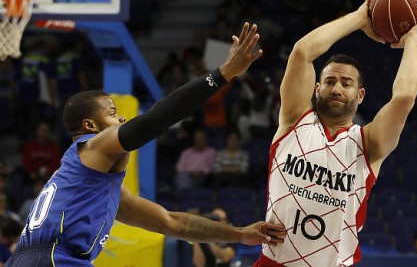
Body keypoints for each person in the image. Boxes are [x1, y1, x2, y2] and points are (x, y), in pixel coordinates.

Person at [6, 23, 286, 267]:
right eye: (113, 113)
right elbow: (157, 119)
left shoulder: (92, 189)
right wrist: (222, 74)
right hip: (56, 260)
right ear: (90, 126)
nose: (123, 117)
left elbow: (172, 223)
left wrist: (239, 234)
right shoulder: (92, 145)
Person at [254, 0, 417, 267]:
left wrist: (412, 40)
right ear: (317, 88)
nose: (336, 88)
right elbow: (302, 52)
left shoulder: (369, 144)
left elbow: (404, 98)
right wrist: (361, 18)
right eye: (329, 81)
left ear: (360, 95)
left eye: (346, 83)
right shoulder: (293, 120)